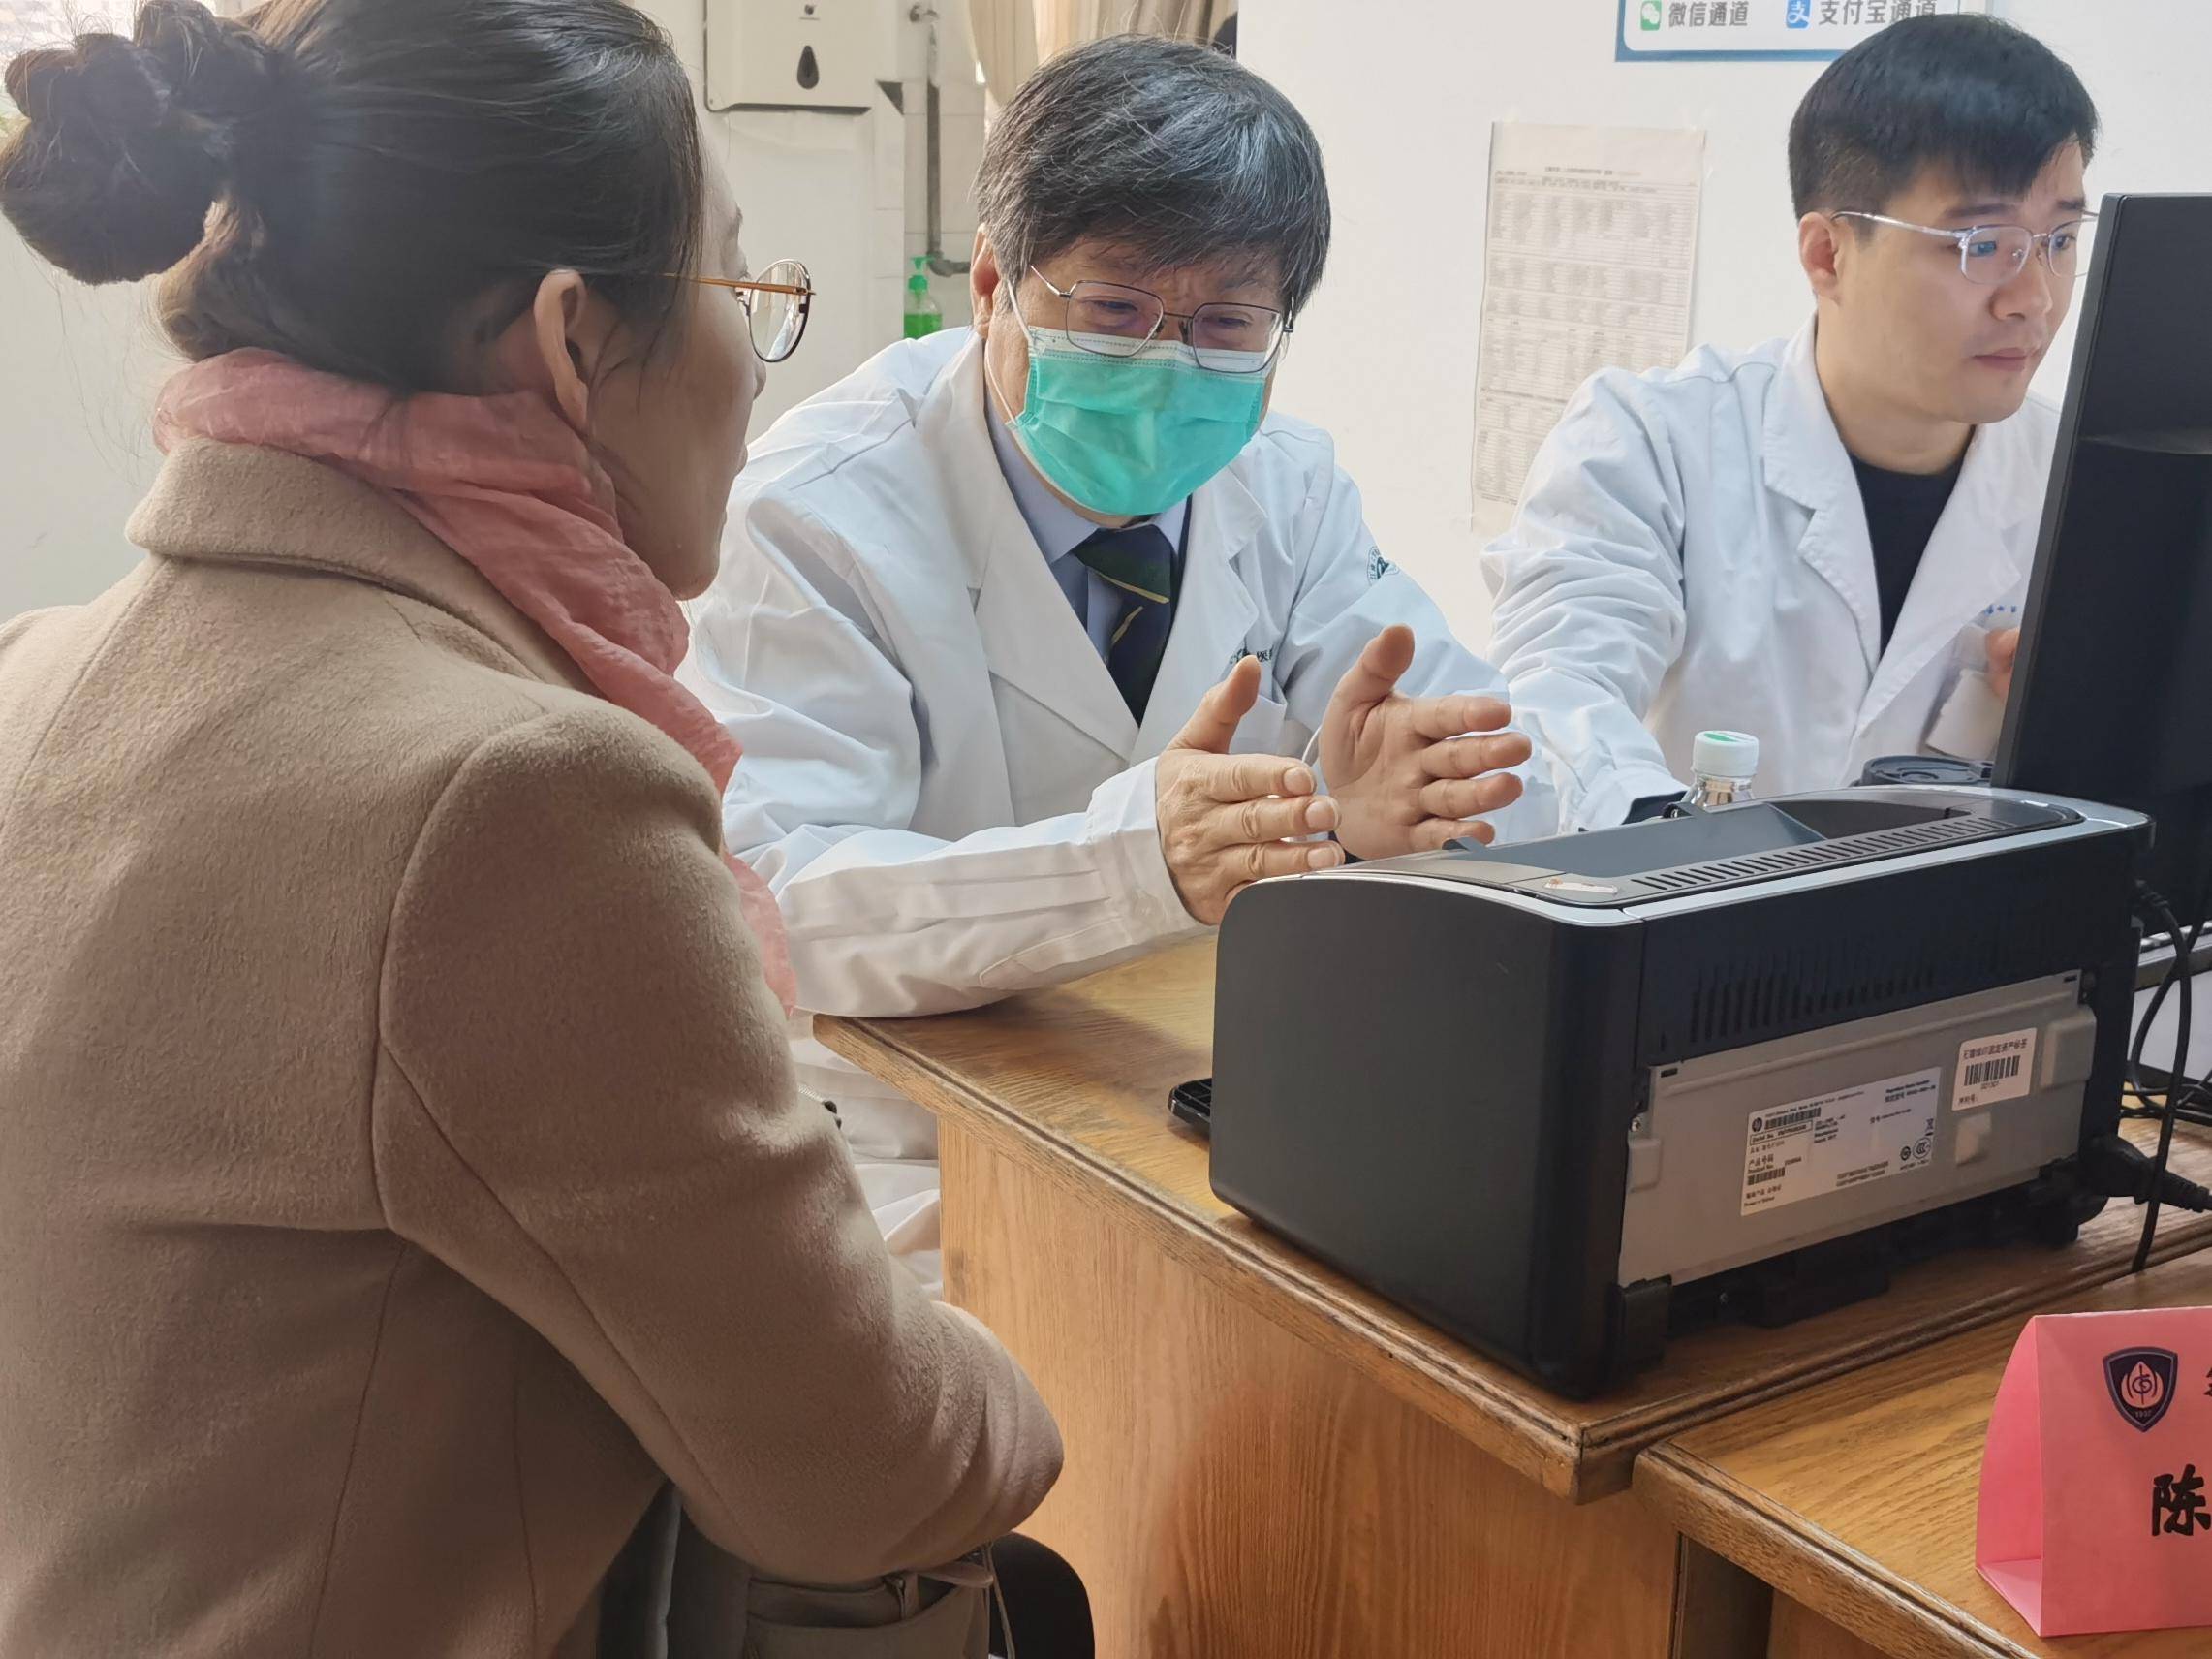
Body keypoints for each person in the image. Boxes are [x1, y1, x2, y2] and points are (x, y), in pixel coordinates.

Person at [0, 2, 1065, 1653]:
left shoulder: (34, 674)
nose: (751, 368)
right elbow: (875, 1467)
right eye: (737, 288)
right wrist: (1006, 1357)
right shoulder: (517, 798)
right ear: (571, 341)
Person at [680, 34, 1557, 1292]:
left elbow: (1498, 764)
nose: (1166, 363)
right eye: (1114, 311)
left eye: (1223, 324)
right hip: (903, 1153)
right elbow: (786, 909)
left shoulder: (1288, 488)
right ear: (994, 283)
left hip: (1215, 1105)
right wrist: (1135, 859)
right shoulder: (813, 514)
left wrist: (1385, 813)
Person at [1482, 13, 2099, 830]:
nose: (2033, 298)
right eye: (1980, 245)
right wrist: (1678, 843)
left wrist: (2078, 731)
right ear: (1826, 254)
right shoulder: (1650, 440)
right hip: (1687, 896)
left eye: (2059, 240)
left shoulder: (2082, 481)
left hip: (1973, 909)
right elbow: (1557, 690)